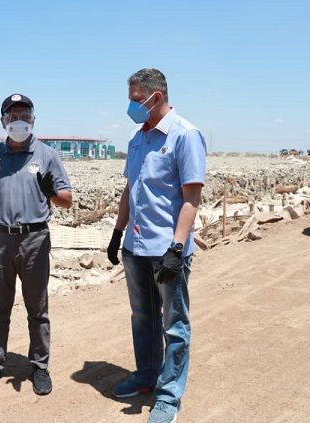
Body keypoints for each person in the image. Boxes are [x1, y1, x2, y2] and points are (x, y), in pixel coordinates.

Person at [106, 68, 206, 423]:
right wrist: (118, 233)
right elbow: (129, 190)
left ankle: (169, 395)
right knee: (142, 317)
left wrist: (177, 248)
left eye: (136, 100)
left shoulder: (185, 136)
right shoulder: (138, 137)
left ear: (156, 97)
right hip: (135, 246)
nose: (132, 107)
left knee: (174, 323)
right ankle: (146, 375)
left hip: (167, 250)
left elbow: (191, 197)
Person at [0, 93, 72, 395]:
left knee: (37, 307)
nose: (19, 121)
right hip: (0, 240)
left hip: (34, 240)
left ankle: (39, 366)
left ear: (33, 120)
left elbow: (66, 201)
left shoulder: (47, 155)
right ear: (3, 121)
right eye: (13, 116)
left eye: (25, 115)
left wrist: (50, 190)